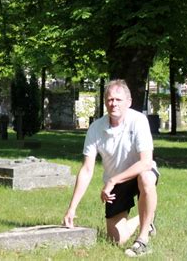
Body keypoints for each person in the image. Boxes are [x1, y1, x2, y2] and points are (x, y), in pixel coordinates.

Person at [62, 79, 159, 257]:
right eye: (110, 99)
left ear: (128, 102)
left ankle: (143, 239)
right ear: (105, 101)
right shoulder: (95, 128)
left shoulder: (139, 121)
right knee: (116, 239)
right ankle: (147, 218)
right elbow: (87, 170)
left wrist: (112, 180)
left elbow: (146, 162)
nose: (113, 103)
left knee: (146, 177)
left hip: (138, 173)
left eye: (118, 99)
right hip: (116, 184)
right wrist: (72, 208)